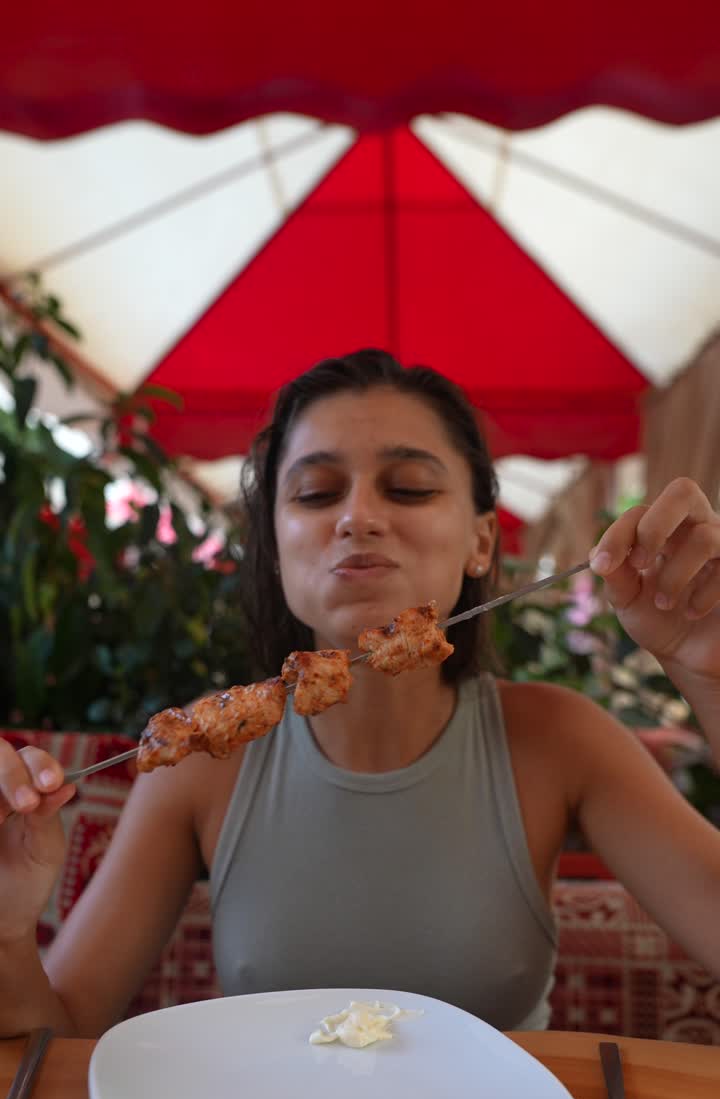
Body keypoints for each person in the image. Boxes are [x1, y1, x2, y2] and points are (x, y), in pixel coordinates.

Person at [1, 348, 719, 1038]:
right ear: (275, 547)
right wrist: (5, 933)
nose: (357, 517)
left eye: (408, 487)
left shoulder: (560, 740)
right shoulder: (200, 761)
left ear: (481, 542)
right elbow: (59, 1030)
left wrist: (711, 674)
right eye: (315, 494)